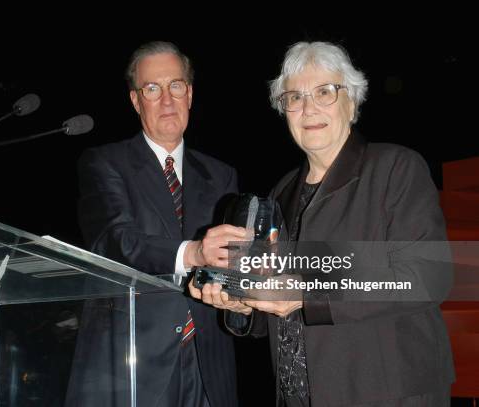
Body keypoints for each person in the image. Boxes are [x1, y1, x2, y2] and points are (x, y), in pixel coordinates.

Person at [190, 41, 455, 406]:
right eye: (294, 97)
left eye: (324, 92)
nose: (308, 107)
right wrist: (245, 306)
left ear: (354, 99)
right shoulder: (282, 191)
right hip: (298, 395)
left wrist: (305, 293)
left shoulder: (396, 168)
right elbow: (278, 298)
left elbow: (427, 276)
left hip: (385, 393)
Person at [65, 41, 240, 407]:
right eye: (152, 88)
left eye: (176, 85)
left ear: (190, 94)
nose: (166, 100)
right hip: (131, 367)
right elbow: (115, 240)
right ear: (135, 100)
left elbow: (231, 265)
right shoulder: (104, 163)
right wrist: (191, 252)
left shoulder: (221, 176)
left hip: (210, 364)